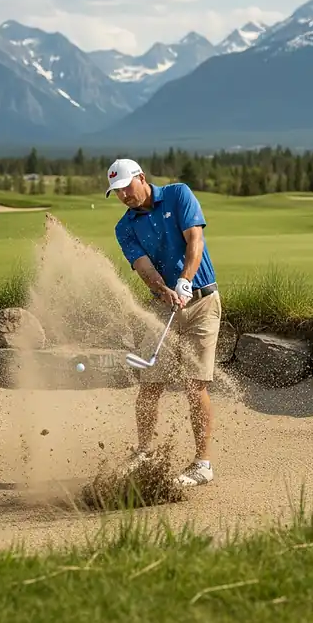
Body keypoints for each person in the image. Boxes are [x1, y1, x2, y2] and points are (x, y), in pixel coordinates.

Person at [105, 158, 221, 487]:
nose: (124, 195)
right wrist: (164, 289)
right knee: (149, 386)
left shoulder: (177, 195)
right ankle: (143, 453)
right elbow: (142, 266)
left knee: (194, 384)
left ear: (142, 178)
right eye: (117, 192)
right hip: (164, 308)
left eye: (127, 186)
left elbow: (194, 240)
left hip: (202, 303)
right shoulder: (124, 227)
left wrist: (185, 280)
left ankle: (202, 464)